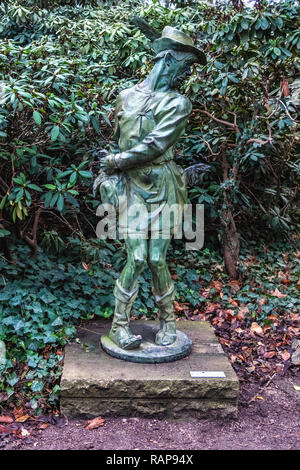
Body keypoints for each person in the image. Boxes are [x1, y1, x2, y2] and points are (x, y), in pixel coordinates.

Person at [99, 26, 206, 350]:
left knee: (157, 258)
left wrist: (116, 161)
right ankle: (119, 326)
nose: (186, 74)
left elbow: (155, 144)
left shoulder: (178, 104)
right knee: (137, 256)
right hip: (130, 186)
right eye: (186, 66)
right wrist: (114, 168)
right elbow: (117, 135)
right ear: (169, 59)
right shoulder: (126, 97)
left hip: (162, 186)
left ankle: (168, 322)